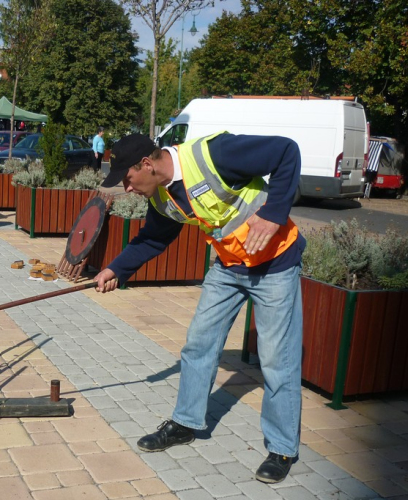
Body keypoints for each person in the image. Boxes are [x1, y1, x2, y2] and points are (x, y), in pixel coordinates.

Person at [94, 132, 305, 484]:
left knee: (276, 359)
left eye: (127, 180)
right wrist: (117, 268)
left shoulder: (215, 155)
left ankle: (282, 448)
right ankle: (186, 423)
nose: (127, 189)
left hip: (275, 263)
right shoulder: (161, 197)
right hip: (228, 267)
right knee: (199, 345)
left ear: (146, 164)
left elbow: (287, 150)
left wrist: (274, 213)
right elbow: (154, 238)